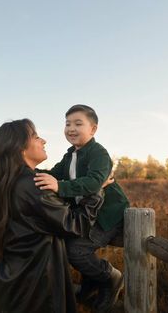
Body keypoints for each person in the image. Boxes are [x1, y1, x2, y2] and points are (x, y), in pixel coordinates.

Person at [0, 118, 103, 313]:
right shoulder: (33, 184)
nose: (44, 141)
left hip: (15, 284)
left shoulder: (5, 181)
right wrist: (97, 191)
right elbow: (75, 225)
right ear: (20, 147)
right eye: (36, 136)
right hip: (37, 291)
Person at [34, 104, 130, 313]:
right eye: (68, 123)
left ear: (93, 129)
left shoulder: (99, 153)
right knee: (67, 244)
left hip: (108, 215)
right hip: (88, 213)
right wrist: (25, 169)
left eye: (78, 123)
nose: (71, 128)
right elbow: (54, 173)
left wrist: (60, 186)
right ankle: (90, 284)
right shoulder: (70, 155)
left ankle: (111, 278)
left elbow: (95, 182)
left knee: (76, 250)